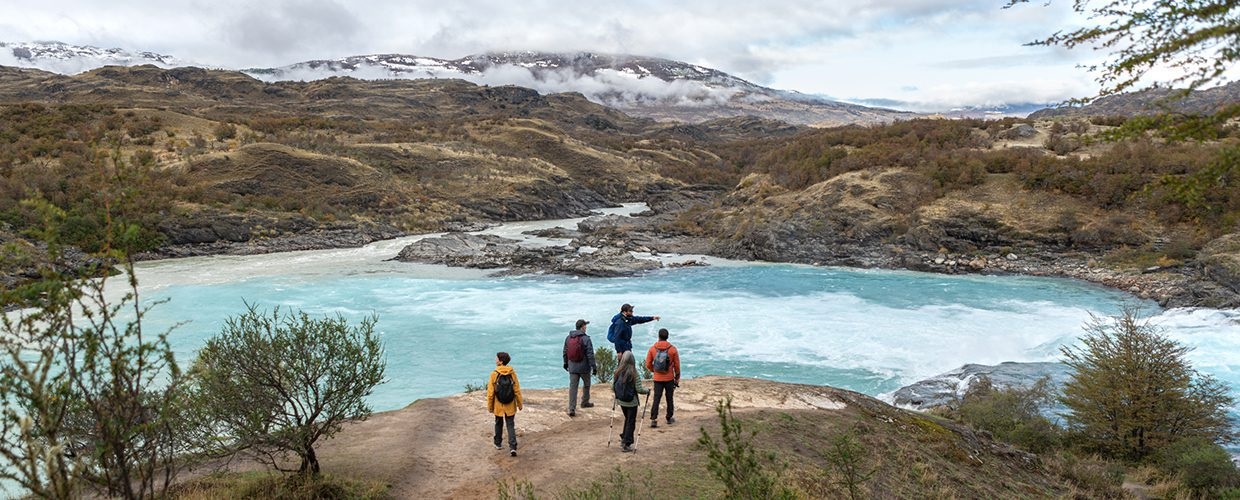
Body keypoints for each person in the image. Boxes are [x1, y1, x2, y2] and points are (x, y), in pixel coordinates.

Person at [487, 351, 523, 457]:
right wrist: (520, 404)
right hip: (510, 403)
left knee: (498, 422)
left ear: (500, 361)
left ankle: (498, 443)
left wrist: (490, 406)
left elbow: (491, 392)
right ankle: (512, 447)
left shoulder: (494, 374)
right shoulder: (512, 373)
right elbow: (516, 390)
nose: (495, 359)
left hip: (498, 404)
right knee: (510, 424)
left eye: (496, 358)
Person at [644, 328, 681, 428]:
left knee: (657, 398)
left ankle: (654, 419)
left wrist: (654, 370)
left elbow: (647, 363)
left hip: (657, 378)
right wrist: (677, 377)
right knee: (669, 398)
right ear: (667, 337)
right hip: (669, 378)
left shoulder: (652, 349)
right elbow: (677, 366)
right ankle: (669, 417)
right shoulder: (672, 349)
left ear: (659, 336)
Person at [613, 350, 649, 452]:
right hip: (631, 402)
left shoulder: (617, 371)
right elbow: (639, 389)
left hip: (621, 401)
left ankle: (624, 437)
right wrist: (647, 391)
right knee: (631, 421)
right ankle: (626, 442)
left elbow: (613, 386)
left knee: (627, 419)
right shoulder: (634, 373)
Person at [563, 319, 597, 417]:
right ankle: (584, 402)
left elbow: (565, 352)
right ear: (582, 327)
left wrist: (566, 364)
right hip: (584, 367)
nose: (586, 327)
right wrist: (594, 367)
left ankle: (571, 408)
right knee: (586, 384)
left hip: (572, 366)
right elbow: (590, 354)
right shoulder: (586, 339)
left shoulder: (568, 338)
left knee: (573, 387)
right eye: (585, 326)